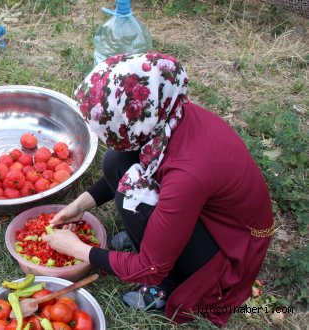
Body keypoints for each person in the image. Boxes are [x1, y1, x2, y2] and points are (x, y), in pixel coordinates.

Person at [42, 52, 273, 326]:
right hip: (208, 213)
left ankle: (170, 282)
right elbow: (128, 160)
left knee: (133, 199)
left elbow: (149, 268)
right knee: (116, 161)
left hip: (231, 249)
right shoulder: (167, 115)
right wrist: (80, 205)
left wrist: (79, 250)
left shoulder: (188, 174)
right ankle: (152, 236)